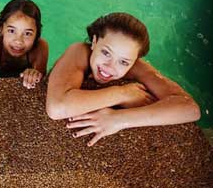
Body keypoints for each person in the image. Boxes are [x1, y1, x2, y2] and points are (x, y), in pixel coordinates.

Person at [46, 12, 200, 146]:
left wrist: (118, 119)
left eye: (124, 62)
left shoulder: (136, 67)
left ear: (135, 61)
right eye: (106, 53)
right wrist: (123, 93)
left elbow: (190, 108)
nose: (109, 67)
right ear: (94, 42)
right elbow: (57, 107)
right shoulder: (79, 51)